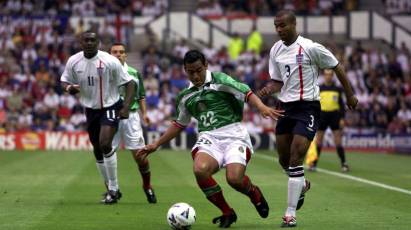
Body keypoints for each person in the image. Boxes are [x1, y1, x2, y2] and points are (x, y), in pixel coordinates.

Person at [138, 50, 284, 228]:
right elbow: (179, 124)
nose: (195, 75)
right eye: (191, 72)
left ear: (206, 65)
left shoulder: (220, 80)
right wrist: (156, 144)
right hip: (209, 137)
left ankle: (254, 193)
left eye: (198, 70)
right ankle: (227, 212)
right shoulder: (185, 96)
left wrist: (262, 107)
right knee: (200, 170)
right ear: (185, 70)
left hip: (234, 135)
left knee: (234, 179)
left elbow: (246, 92)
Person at [257, 11, 358, 227]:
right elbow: (277, 81)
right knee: (283, 159)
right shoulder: (275, 49)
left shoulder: (311, 47)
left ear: (294, 24)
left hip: (307, 107)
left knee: (296, 157)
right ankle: (301, 185)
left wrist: (349, 94)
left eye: (282, 25)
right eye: (276, 26)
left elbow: (336, 66)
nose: (279, 30)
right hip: (284, 107)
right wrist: (265, 91)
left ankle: (290, 213)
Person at [60, 31, 135, 204]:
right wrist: (68, 88)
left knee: (105, 143)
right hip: (90, 109)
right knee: (97, 149)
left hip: (110, 106)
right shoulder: (74, 61)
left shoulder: (109, 61)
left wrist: (126, 107)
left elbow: (130, 83)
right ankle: (110, 188)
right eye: (86, 40)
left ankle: (114, 188)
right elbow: (64, 80)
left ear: (98, 43)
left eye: (93, 40)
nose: (89, 43)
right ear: (81, 42)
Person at [109, 42, 157, 203]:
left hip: (131, 117)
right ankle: (112, 191)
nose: (118, 54)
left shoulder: (134, 73)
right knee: (107, 154)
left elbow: (141, 96)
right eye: (114, 52)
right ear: (109, 55)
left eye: (121, 52)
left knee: (140, 156)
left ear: (125, 55)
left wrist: (145, 114)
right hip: (110, 116)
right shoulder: (104, 73)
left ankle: (147, 186)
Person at [310, 69, 349, 172]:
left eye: (330, 75)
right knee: (319, 141)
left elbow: (342, 105)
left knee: (338, 141)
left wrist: (342, 118)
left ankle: (344, 163)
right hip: (322, 116)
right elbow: (315, 104)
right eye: (326, 74)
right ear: (324, 76)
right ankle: (314, 164)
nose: (328, 76)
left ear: (332, 76)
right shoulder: (319, 88)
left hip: (334, 116)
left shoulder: (338, 89)